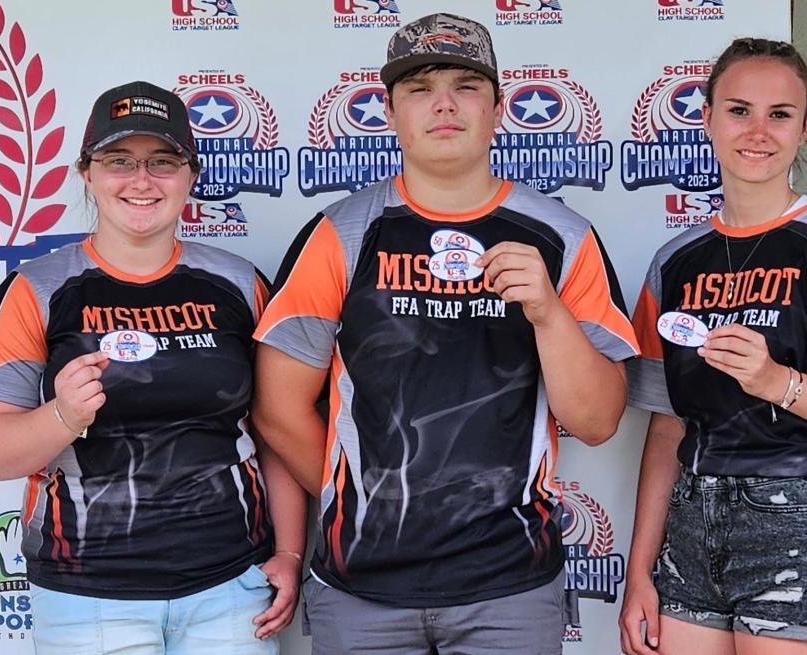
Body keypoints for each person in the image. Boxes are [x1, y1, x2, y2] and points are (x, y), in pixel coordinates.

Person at [252, 12, 639, 655]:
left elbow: (597, 421)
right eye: (419, 87)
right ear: (389, 110)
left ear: (498, 107)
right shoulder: (341, 235)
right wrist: (377, 501)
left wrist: (548, 313)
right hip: (361, 588)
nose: (444, 104)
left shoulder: (561, 237)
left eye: (465, 85)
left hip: (510, 587)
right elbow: (277, 407)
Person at [0, 81, 306, 655]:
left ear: (190, 176)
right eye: (119, 161)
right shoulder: (37, 289)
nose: (141, 180)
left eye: (162, 162)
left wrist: (291, 552)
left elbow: (277, 429)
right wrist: (63, 415)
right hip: (87, 598)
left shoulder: (240, 284)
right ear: (87, 175)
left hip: (230, 588)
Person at [619, 38, 807, 655]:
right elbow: (668, 428)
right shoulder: (674, 263)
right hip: (690, 524)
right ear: (706, 118)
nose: (758, 130)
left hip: (792, 520)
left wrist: (778, 382)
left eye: (780, 113)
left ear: (805, 128)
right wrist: (639, 571)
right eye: (738, 110)